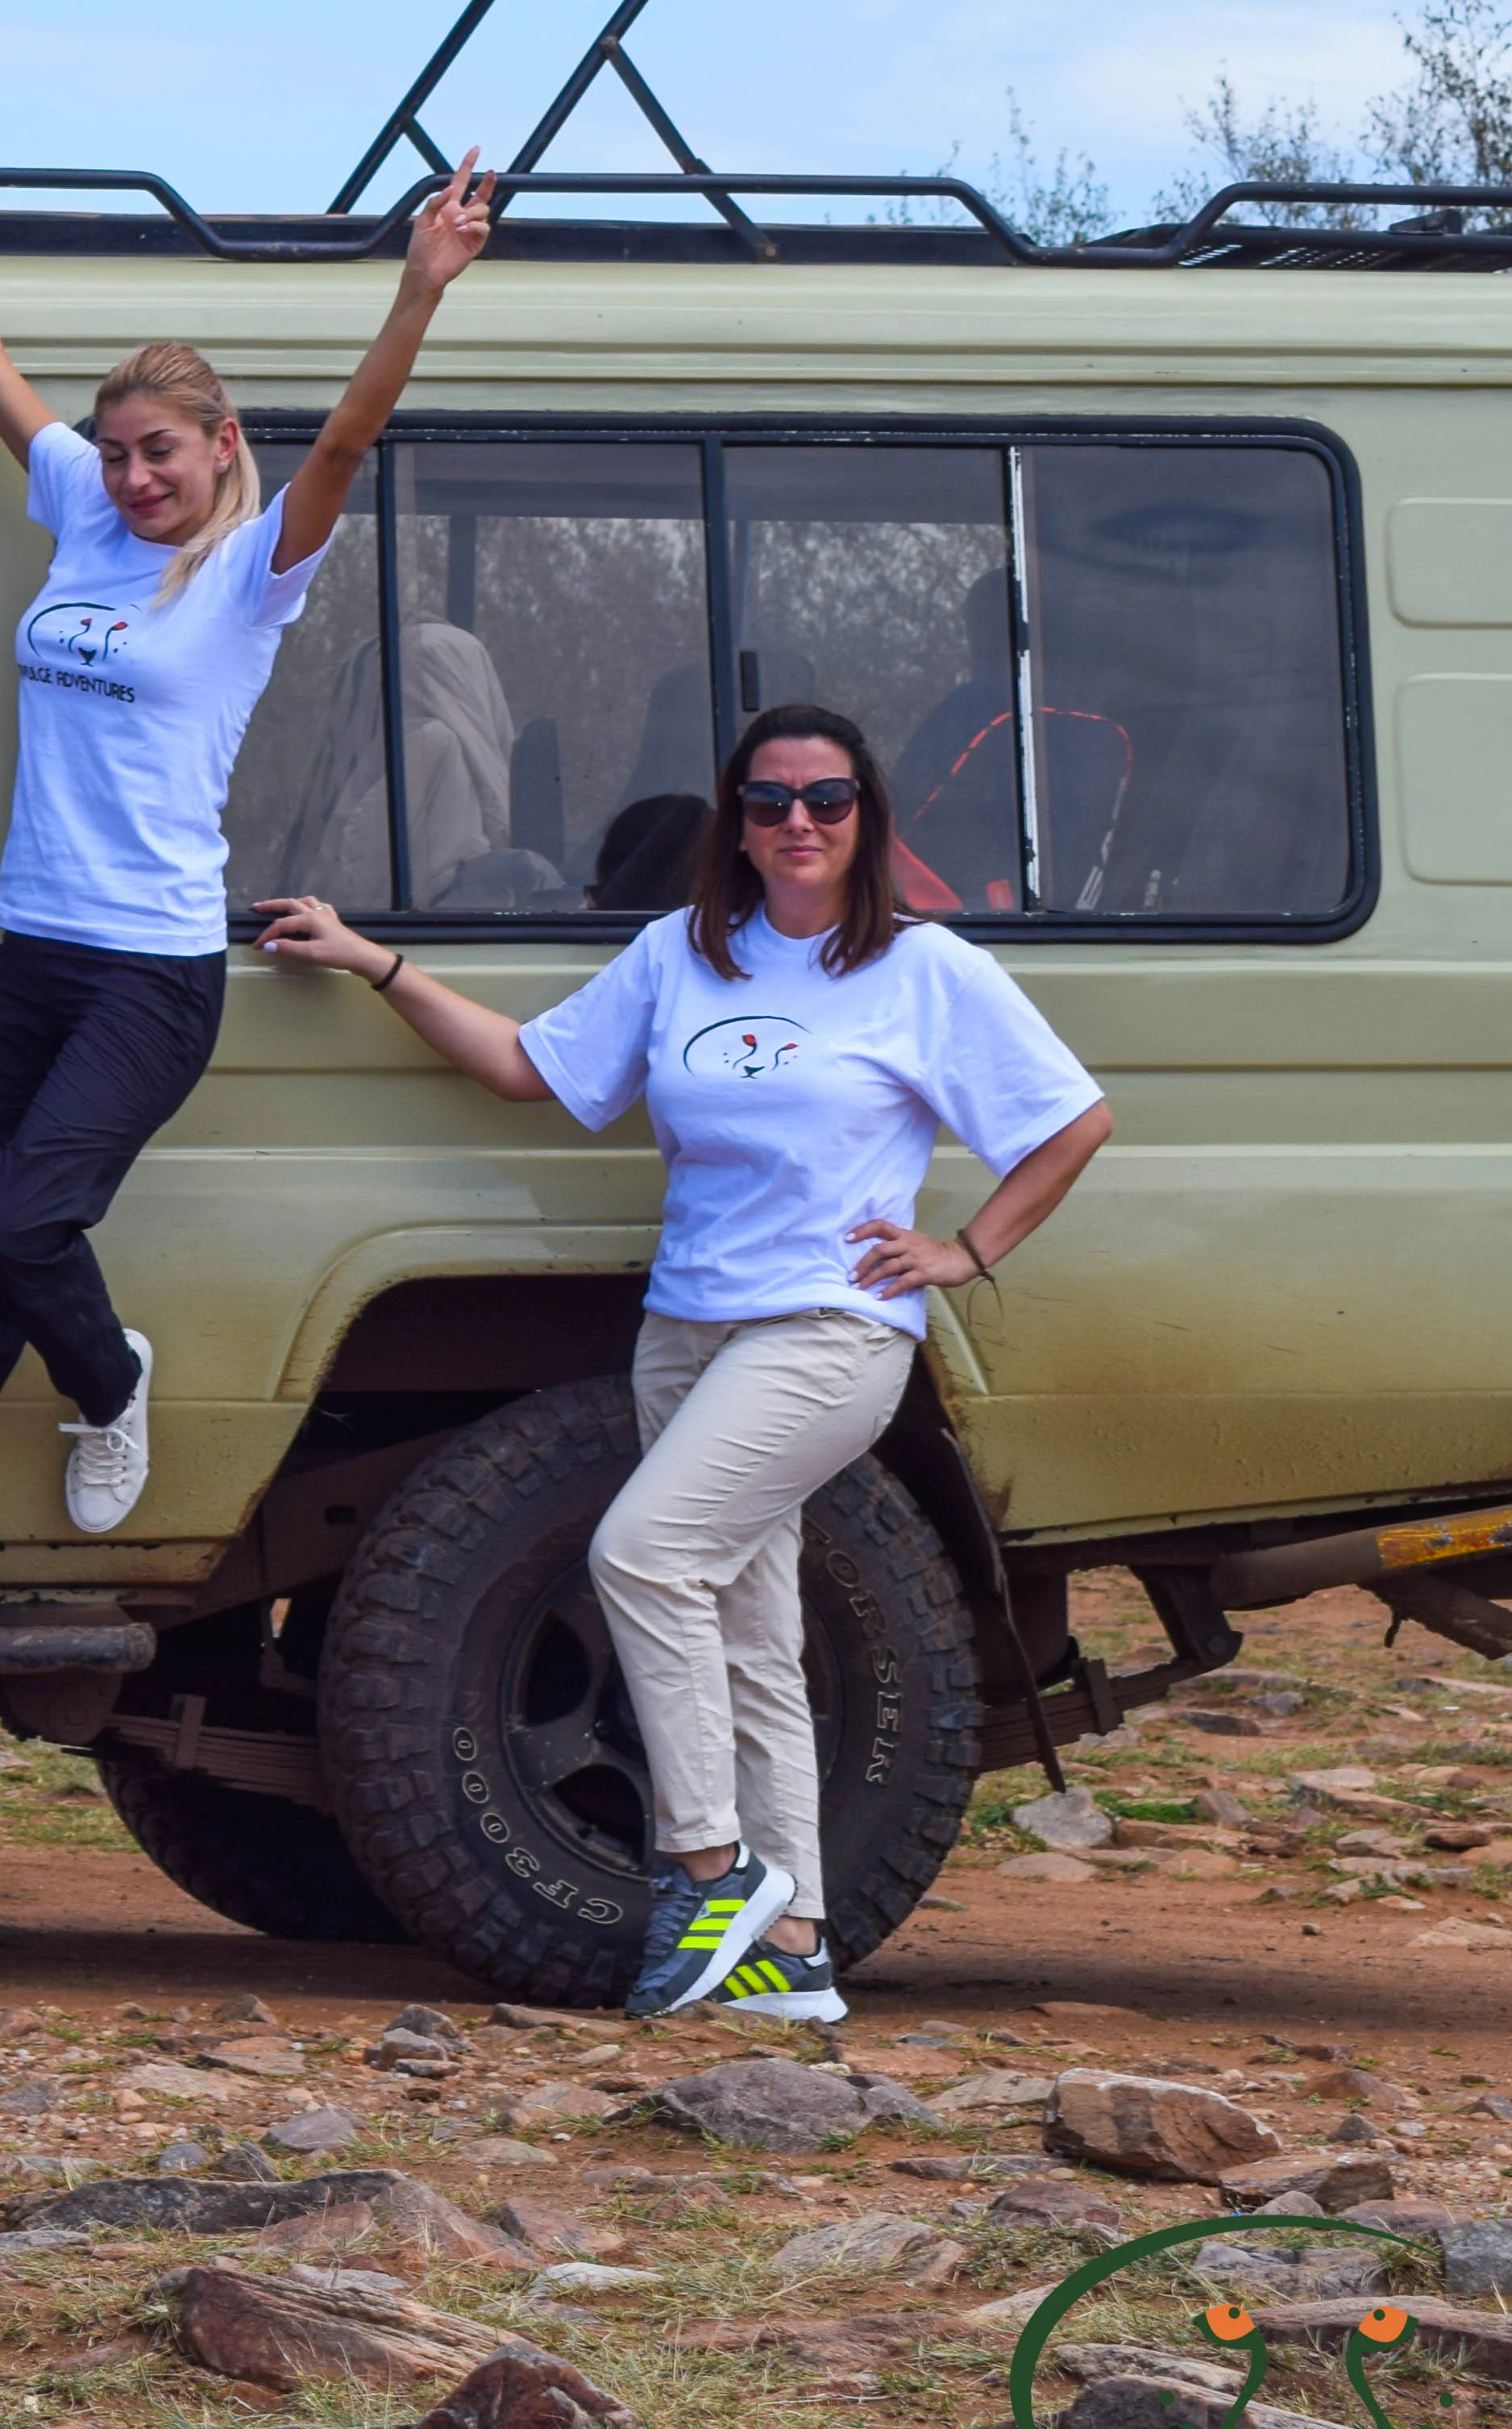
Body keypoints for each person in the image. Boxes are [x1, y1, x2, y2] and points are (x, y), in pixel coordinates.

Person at [0, 148, 497, 1648]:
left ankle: (111, 1380)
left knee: (23, 1226)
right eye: (121, 450)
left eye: (165, 450)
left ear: (223, 446)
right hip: (37, 953)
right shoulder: (85, 510)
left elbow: (350, 437)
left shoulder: (250, 575)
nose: (137, 475)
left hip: (152, 973)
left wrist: (418, 291)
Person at [255, 704, 1111, 2023]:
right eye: (769, 803)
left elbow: (1072, 1120)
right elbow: (527, 1070)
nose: (799, 825)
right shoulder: (681, 956)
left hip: (827, 1333)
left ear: (866, 817)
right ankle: (797, 1952)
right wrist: (378, 964)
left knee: (643, 1556)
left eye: (826, 799)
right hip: (687, 1334)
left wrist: (966, 1251)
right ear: (739, 824)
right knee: (756, 1636)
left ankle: (709, 1868)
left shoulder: (923, 970)